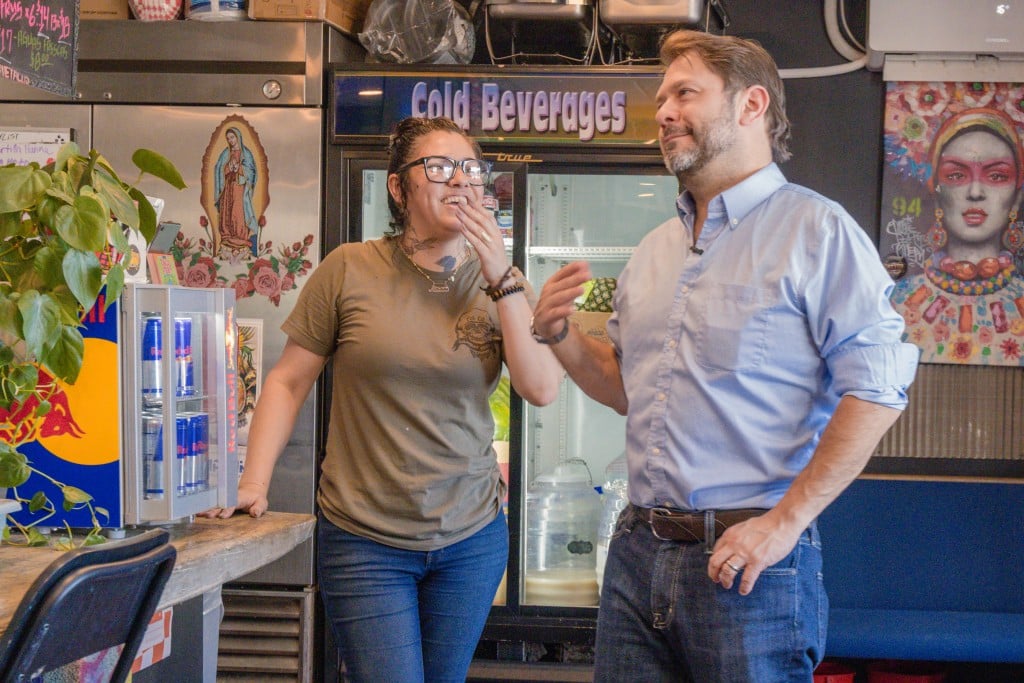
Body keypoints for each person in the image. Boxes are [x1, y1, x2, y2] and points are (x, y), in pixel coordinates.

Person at [530, 29, 920, 681]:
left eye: (686, 93)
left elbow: (877, 390)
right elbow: (627, 387)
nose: (664, 113)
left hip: (751, 567)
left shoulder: (818, 232)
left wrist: (785, 523)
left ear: (751, 105)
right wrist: (560, 335)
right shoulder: (652, 250)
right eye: (661, 99)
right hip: (634, 552)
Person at [203, 116, 562, 682]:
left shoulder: (501, 285)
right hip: (365, 540)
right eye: (439, 168)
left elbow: (540, 388)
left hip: (471, 538)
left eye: (471, 169)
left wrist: (502, 275)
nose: (461, 182)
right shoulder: (349, 268)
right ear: (399, 187)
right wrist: (253, 482)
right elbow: (288, 380)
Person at [890, 107, 1024, 365]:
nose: (975, 192)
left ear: (1016, 198)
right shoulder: (896, 304)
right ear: (936, 191)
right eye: (957, 175)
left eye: (996, 175)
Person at [214, 126, 260, 258]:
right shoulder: (225, 153)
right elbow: (218, 169)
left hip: (240, 189)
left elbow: (251, 171)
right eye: (228, 138)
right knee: (227, 212)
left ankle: (240, 238)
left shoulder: (246, 153)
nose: (230, 140)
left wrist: (239, 167)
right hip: (227, 187)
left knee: (238, 212)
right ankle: (227, 237)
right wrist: (228, 167)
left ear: (238, 137)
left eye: (232, 137)